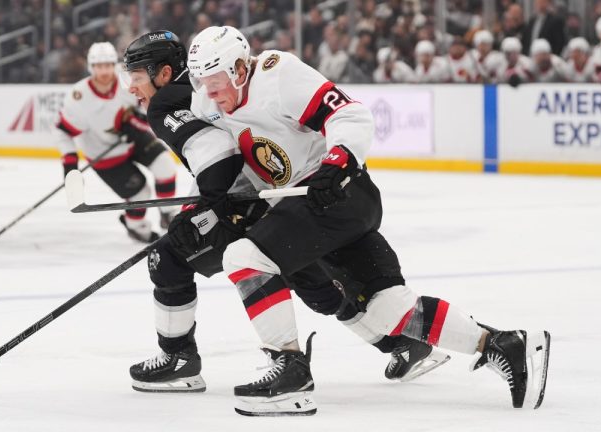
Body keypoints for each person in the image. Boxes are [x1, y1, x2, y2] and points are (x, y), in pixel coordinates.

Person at [187, 25, 551, 416]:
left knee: (245, 257)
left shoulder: (278, 74)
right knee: (386, 308)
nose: (210, 91)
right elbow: (231, 164)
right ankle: (503, 344)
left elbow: (349, 113)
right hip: (304, 206)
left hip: (339, 193)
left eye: (216, 80)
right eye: (201, 82)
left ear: (240, 69)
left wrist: (338, 160)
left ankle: (290, 371)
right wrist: (205, 201)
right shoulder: (209, 103)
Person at [121, 30, 448, 396]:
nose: (131, 87)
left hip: (245, 203)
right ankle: (400, 343)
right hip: (278, 196)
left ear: (163, 73)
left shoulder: (167, 102)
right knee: (313, 279)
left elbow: (216, 157)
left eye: (136, 77)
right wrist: (198, 202)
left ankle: (180, 359)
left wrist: (198, 208)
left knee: (167, 259)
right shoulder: (207, 86)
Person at [54, 42, 179, 243]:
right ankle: (136, 226)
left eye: (108, 65)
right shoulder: (79, 98)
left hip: (133, 138)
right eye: (99, 66)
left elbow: (149, 109)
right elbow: (63, 132)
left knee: (165, 165)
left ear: (115, 65)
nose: (104, 71)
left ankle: (168, 213)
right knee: (141, 193)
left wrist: (138, 122)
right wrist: (70, 165)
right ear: (91, 67)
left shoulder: (129, 80)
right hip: (104, 153)